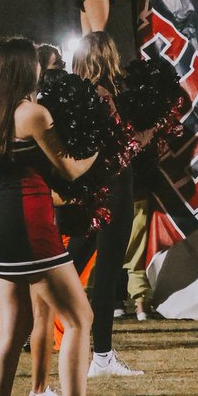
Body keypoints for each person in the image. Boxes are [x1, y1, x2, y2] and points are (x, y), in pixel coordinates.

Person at [0, 38, 124, 396]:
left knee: (12, 328)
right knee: (78, 318)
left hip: (2, 224)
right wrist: (103, 147)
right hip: (30, 224)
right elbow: (69, 170)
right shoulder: (31, 113)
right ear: (23, 69)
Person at [65, 32, 144, 377]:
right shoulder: (116, 95)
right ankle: (102, 355)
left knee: (64, 266)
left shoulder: (71, 94)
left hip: (82, 186)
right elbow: (130, 145)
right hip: (114, 186)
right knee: (107, 270)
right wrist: (153, 128)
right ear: (110, 55)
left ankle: (24, 329)